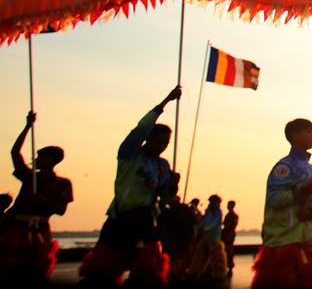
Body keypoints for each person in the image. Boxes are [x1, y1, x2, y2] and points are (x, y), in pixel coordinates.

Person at [79, 87, 181, 287]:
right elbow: (140, 129)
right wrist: (166, 101)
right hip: (122, 218)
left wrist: (173, 186)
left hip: (146, 221)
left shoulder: (162, 165)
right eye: (160, 141)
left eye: (166, 143)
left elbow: (165, 198)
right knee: (101, 273)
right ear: (149, 138)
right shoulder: (129, 154)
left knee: (147, 274)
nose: (163, 146)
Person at [251, 118, 312, 289]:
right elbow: (275, 199)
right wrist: (299, 192)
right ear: (294, 135)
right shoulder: (284, 167)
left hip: (306, 242)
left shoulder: (311, 169)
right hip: (282, 243)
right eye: (308, 131)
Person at [0, 111, 73, 285]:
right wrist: (27, 126)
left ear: (50, 160)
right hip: (17, 227)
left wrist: (44, 202)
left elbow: (61, 210)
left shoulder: (63, 183)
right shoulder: (29, 176)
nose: (35, 159)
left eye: (40, 156)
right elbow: (15, 153)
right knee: (9, 270)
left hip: (40, 230)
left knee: (36, 272)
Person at [186, 194, 227, 280]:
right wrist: (197, 226)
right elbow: (204, 221)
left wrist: (204, 226)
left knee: (216, 257)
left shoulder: (218, 212)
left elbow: (212, 223)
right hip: (207, 236)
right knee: (200, 255)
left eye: (212, 202)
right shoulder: (209, 211)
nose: (211, 203)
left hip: (214, 237)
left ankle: (219, 274)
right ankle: (195, 271)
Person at [222, 200, 239, 277]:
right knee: (226, 250)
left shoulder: (234, 215)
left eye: (229, 205)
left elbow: (233, 226)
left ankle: (230, 267)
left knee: (229, 251)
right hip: (226, 233)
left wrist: (229, 235)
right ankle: (226, 266)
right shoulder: (228, 215)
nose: (228, 206)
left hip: (230, 234)